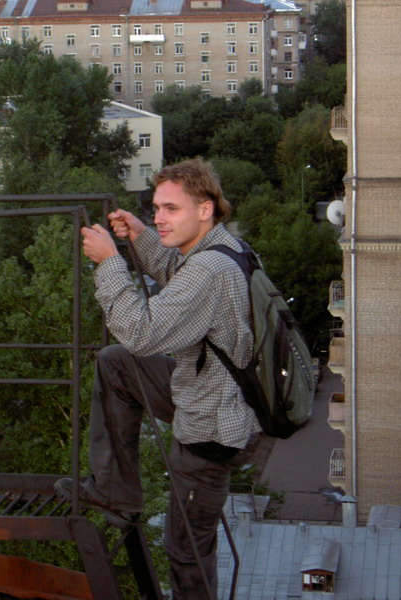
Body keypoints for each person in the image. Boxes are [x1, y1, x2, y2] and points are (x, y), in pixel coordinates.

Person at [55, 158, 262, 599]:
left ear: (204, 209)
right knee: (117, 364)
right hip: (212, 393)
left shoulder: (210, 270)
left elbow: (141, 332)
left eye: (171, 209)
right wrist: (142, 237)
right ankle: (114, 491)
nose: (159, 217)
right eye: (155, 209)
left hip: (211, 432)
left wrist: (110, 262)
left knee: (186, 551)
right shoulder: (228, 249)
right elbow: (179, 276)